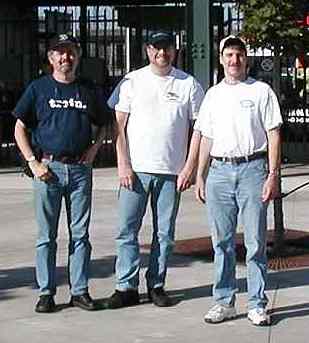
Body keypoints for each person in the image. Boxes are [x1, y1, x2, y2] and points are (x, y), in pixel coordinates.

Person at [106, 31, 204, 308]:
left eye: (168, 48)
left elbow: (200, 129)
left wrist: (189, 167)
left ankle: (156, 284)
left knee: (164, 233)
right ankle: (125, 286)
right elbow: (119, 127)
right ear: (148, 50)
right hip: (135, 172)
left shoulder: (189, 85)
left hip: (171, 172)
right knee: (127, 230)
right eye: (157, 48)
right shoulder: (132, 81)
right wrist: (123, 163)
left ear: (175, 51)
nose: (162, 53)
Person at [13, 33, 109, 313]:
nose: (65, 57)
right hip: (48, 170)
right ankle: (46, 293)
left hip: (79, 171)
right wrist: (33, 162)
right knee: (46, 237)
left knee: (80, 235)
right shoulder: (38, 89)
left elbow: (104, 123)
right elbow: (19, 127)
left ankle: (79, 291)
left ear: (77, 56)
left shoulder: (87, 89)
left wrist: (93, 151)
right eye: (59, 53)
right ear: (51, 58)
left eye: (70, 52)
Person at [194, 35, 282, 326]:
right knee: (221, 242)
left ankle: (257, 303)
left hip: (253, 170)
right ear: (221, 59)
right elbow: (206, 136)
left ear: (247, 59)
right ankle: (224, 301)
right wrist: (200, 175)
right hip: (219, 172)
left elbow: (273, 134)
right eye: (229, 55)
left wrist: (272, 175)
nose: (234, 60)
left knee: (256, 242)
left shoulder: (261, 91)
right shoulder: (213, 95)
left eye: (239, 55)